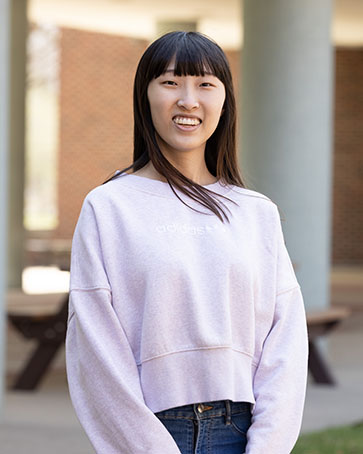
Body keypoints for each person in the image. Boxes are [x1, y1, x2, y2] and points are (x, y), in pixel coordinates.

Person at [65, 31, 308, 454]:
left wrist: (268, 446)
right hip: (149, 431)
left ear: (225, 101)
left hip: (243, 431)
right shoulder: (109, 207)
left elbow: (285, 341)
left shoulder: (256, 212)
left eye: (206, 84)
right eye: (171, 82)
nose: (188, 100)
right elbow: (94, 347)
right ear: (145, 97)